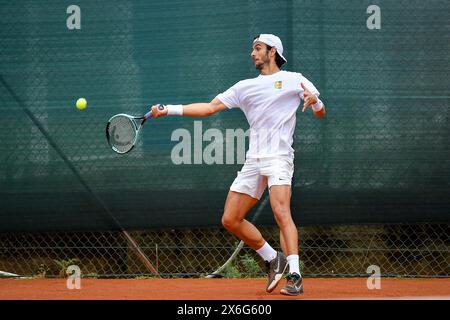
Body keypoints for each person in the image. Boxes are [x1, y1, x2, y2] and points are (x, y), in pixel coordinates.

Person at [150, 34, 326, 295]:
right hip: (254, 159)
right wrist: (170, 110)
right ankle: (271, 258)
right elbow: (209, 108)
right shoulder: (244, 87)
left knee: (281, 212)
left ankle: (295, 275)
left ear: (273, 51)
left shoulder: (293, 79)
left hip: (279, 157)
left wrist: (316, 102)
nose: (252, 53)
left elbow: (320, 111)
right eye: (252, 49)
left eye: (258, 49)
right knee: (230, 218)